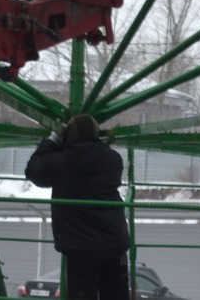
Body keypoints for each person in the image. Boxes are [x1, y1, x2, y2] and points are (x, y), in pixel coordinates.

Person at [24, 114, 130, 300]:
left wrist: (52, 141)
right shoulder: (113, 159)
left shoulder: (60, 161)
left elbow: (33, 171)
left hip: (80, 249)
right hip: (113, 244)